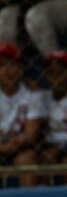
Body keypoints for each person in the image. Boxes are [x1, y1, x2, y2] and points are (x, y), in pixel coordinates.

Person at [0, 43, 46, 182]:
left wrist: (16, 143)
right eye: (1, 65)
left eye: (12, 65)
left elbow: (31, 134)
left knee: (26, 160)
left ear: (21, 68)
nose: (7, 70)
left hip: (21, 146)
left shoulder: (32, 95)